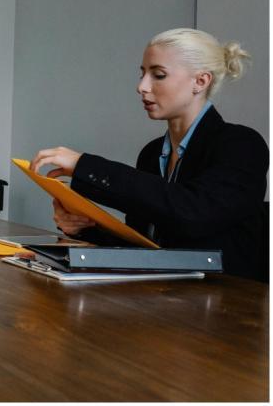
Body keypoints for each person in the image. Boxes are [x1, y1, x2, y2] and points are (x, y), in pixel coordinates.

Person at [30, 28, 268, 280]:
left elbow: (193, 213)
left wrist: (85, 165)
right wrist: (85, 228)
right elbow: (147, 247)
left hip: (231, 305)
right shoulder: (152, 153)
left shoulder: (242, 144)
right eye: (143, 73)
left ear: (200, 81)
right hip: (166, 298)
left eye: (159, 75)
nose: (142, 87)